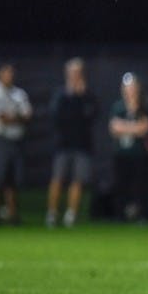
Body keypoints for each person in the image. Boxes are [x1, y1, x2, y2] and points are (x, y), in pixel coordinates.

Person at [47, 58, 99, 228]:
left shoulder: (88, 95)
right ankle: (52, 213)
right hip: (63, 144)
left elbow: (92, 114)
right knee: (57, 179)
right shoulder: (60, 95)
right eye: (72, 72)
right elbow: (56, 116)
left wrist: (82, 96)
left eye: (78, 72)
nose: (75, 76)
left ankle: (71, 214)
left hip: (82, 145)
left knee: (78, 180)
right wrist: (72, 96)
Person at [0, 63, 32, 225]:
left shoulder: (19, 93)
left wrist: (13, 117)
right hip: (0, 141)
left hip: (16, 141)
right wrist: (17, 117)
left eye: (12, 73)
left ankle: (12, 214)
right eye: (7, 73)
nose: (10, 76)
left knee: (13, 180)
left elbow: (27, 115)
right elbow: (1, 118)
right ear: (0, 75)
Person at [108, 72, 148, 221]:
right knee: (121, 186)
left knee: (141, 185)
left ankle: (143, 214)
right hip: (121, 153)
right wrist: (134, 127)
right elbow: (114, 128)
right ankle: (120, 215)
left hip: (140, 153)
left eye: (133, 87)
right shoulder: (118, 106)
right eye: (128, 88)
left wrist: (125, 127)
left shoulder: (144, 105)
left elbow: (145, 128)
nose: (130, 91)